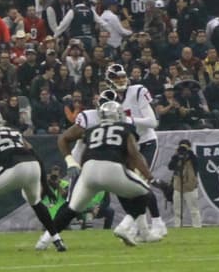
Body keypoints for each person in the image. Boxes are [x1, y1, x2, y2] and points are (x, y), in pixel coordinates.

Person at [0, 108, 64, 256]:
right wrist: (44, 183)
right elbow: (34, 154)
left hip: (16, 167)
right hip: (33, 165)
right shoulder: (13, 131)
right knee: (35, 202)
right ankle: (57, 239)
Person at [53, 100, 155, 247]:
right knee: (144, 192)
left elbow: (84, 150)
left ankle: (47, 238)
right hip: (108, 167)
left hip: (88, 168)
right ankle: (130, 227)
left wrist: (75, 162)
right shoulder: (123, 127)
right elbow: (134, 155)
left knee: (73, 207)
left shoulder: (91, 129)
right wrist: (150, 177)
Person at [106, 63, 167, 239]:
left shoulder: (137, 91)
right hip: (128, 147)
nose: (120, 80)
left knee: (140, 184)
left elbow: (152, 122)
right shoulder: (110, 100)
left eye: (122, 77)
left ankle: (154, 223)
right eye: (116, 78)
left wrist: (129, 120)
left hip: (146, 142)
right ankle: (143, 229)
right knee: (131, 188)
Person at [166, 139, 202, 228]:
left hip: (191, 187)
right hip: (178, 186)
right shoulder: (177, 157)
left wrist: (190, 153)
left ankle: (197, 227)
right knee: (177, 210)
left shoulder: (193, 157)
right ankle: (178, 227)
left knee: (194, 210)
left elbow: (198, 166)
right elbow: (170, 167)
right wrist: (176, 156)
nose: (183, 149)